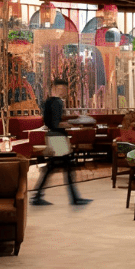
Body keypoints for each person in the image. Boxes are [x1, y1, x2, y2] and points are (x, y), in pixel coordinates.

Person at [33, 78, 91, 206]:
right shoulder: (58, 102)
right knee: (67, 167)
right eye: (63, 88)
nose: (65, 91)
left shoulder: (48, 101)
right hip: (58, 138)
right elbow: (56, 123)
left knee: (53, 167)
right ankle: (75, 199)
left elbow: (49, 122)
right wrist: (72, 123)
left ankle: (37, 196)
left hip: (52, 136)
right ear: (57, 88)